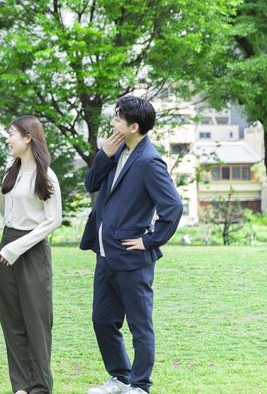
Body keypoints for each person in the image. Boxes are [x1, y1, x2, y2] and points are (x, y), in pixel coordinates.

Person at [81, 96, 183, 394]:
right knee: (102, 320)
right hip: (105, 255)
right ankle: (121, 377)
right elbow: (90, 184)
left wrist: (150, 240)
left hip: (132, 258)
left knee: (140, 326)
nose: (113, 122)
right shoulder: (114, 151)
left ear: (133, 126)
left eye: (117, 118)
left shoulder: (149, 161)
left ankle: (140, 385)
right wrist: (103, 155)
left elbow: (173, 207)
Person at [0, 116, 62, 394]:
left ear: (28, 137)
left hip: (32, 249)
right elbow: (7, 211)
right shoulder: (10, 171)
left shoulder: (46, 175)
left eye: (11, 134)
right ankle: (20, 386)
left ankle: (40, 386)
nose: (8, 139)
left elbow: (53, 220)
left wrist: (17, 248)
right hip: (8, 243)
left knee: (36, 320)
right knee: (11, 318)